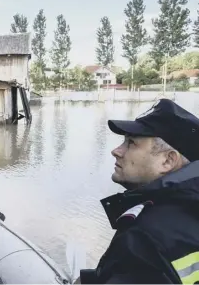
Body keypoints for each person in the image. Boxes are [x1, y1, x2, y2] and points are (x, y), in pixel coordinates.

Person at [78, 99, 199, 284]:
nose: (116, 151)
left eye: (131, 143)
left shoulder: (145, 237)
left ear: (167, 161)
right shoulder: (189, 209)